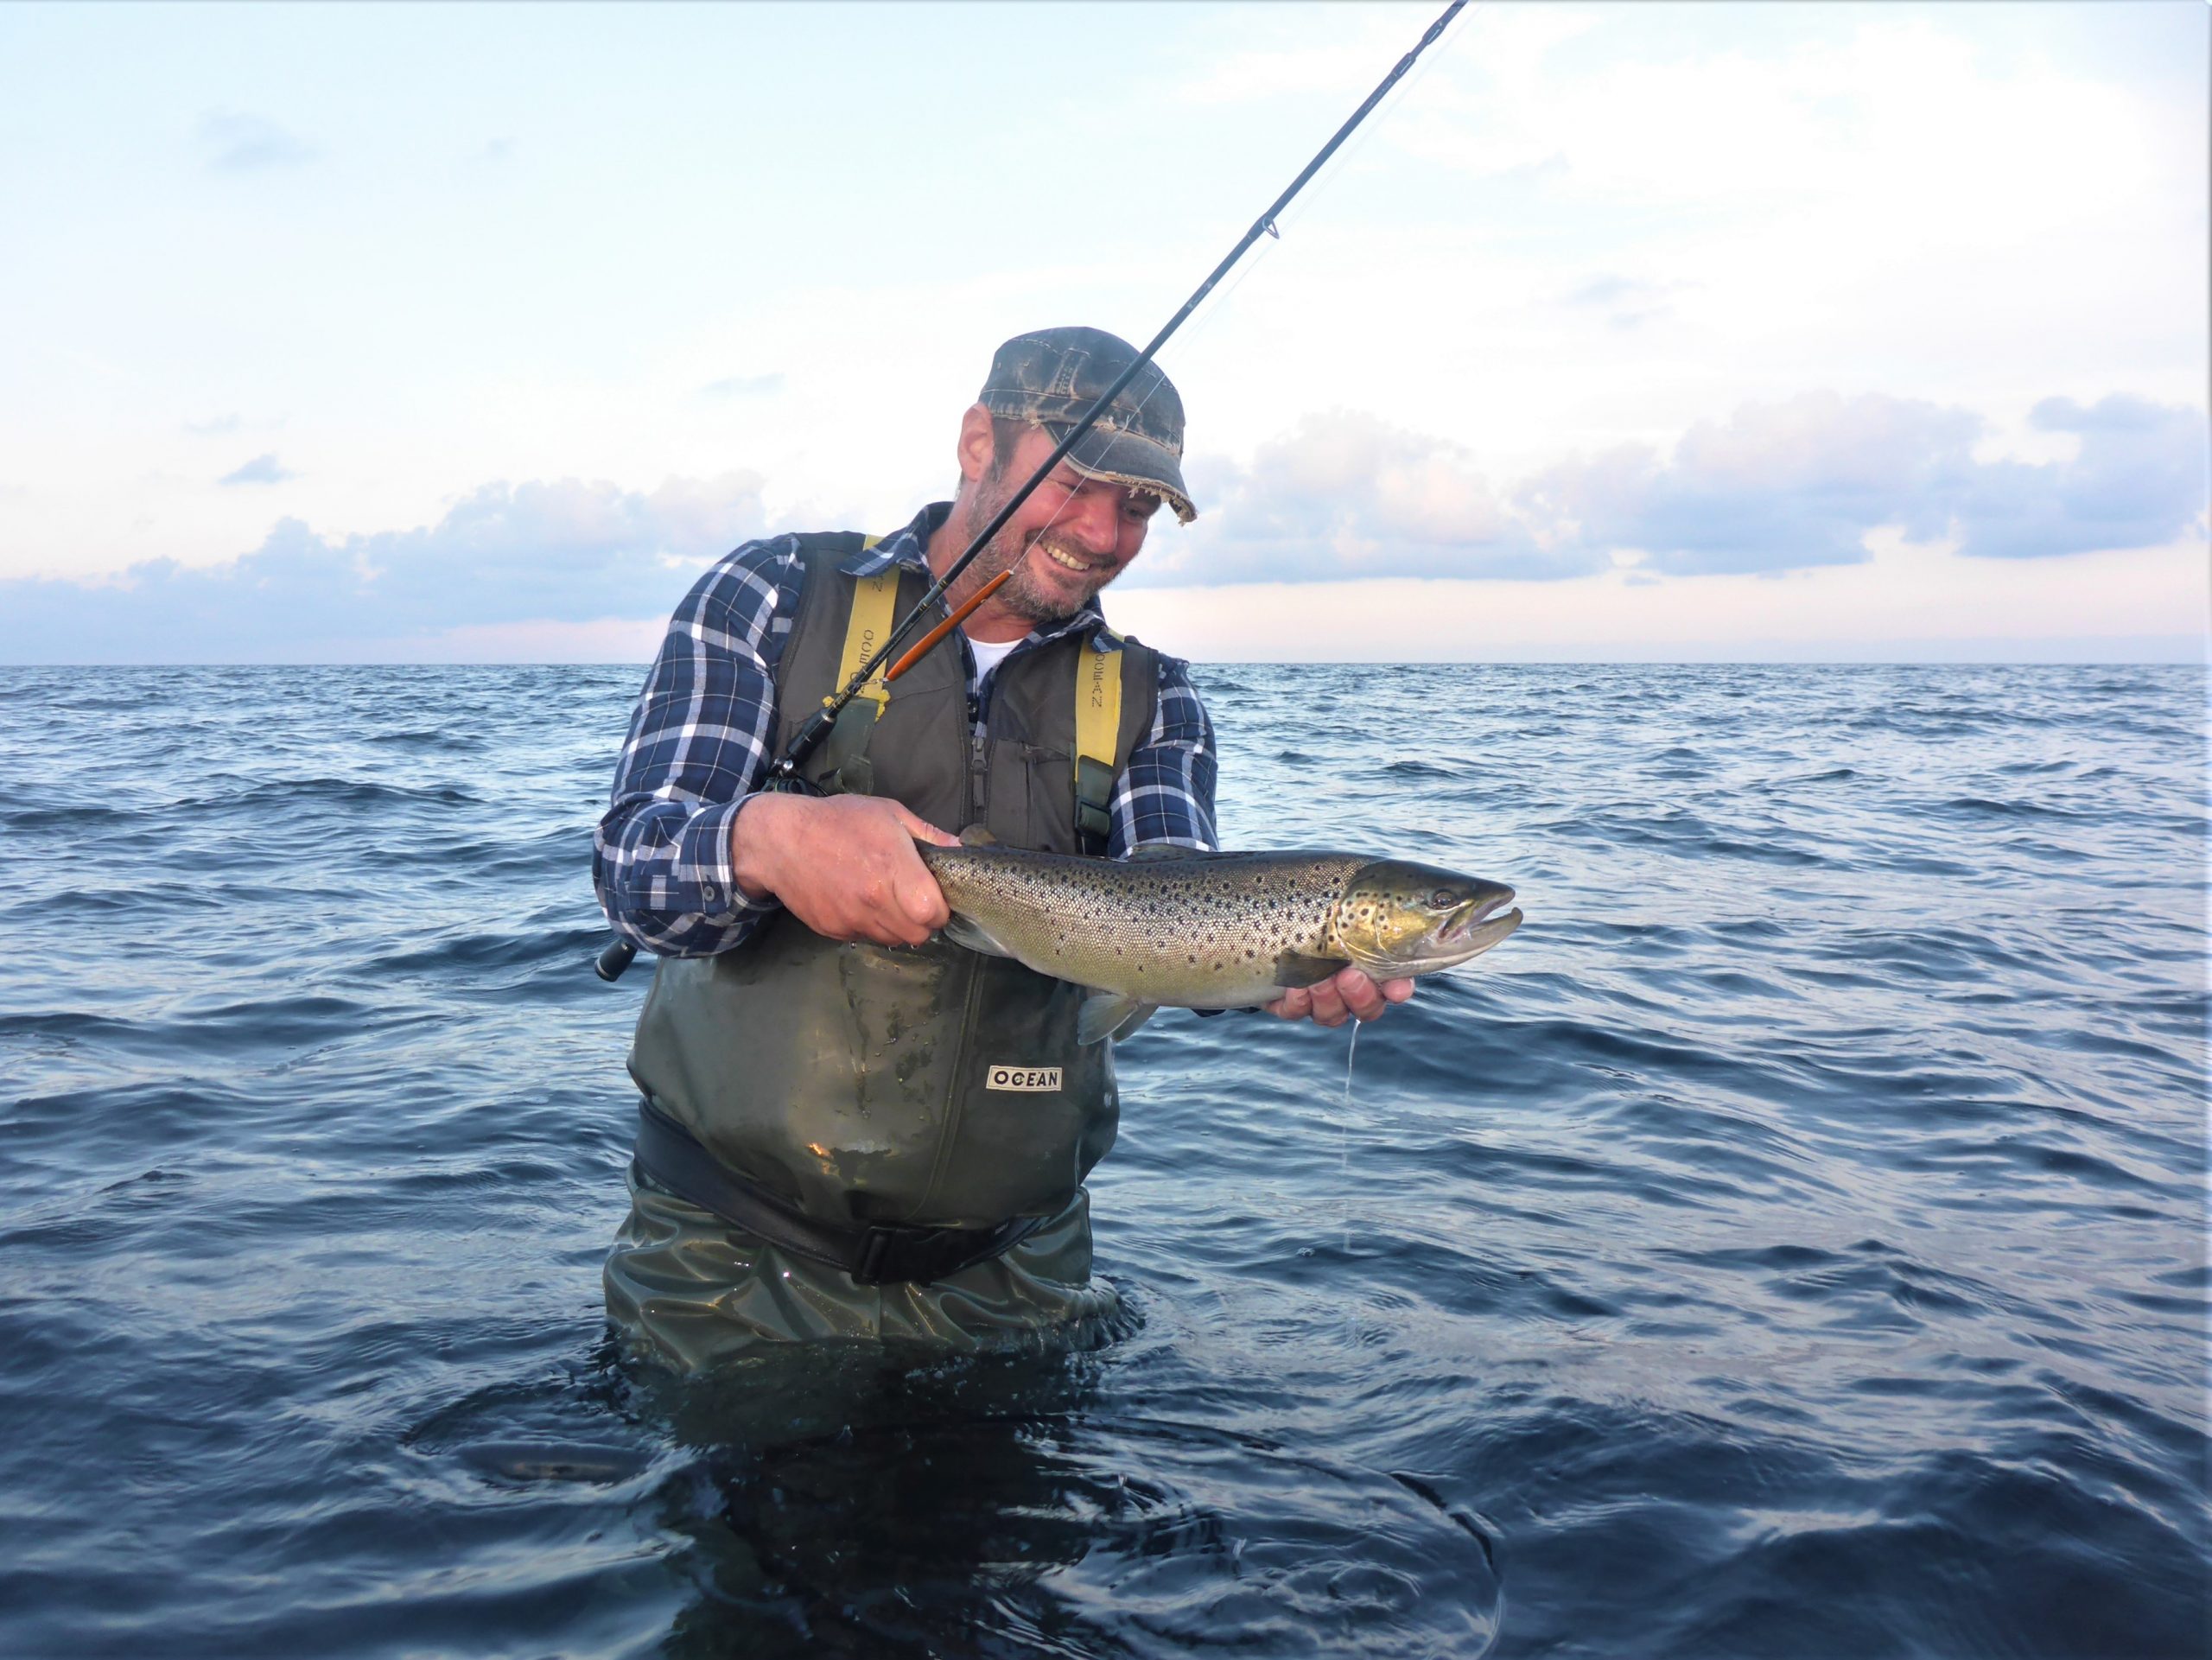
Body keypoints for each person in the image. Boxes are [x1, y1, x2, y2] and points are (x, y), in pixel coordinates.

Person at [592, 326, 1412, 1372]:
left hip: (1017, 1283)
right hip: (729, 1271)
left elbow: (1176, 914)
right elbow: (634, 875)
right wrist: (767, 838)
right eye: (1076, 482)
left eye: (1141, 507)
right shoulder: (772, 594)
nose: (1105, 532)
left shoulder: (1160, 698)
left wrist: (1278, 975)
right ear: (978, 442)